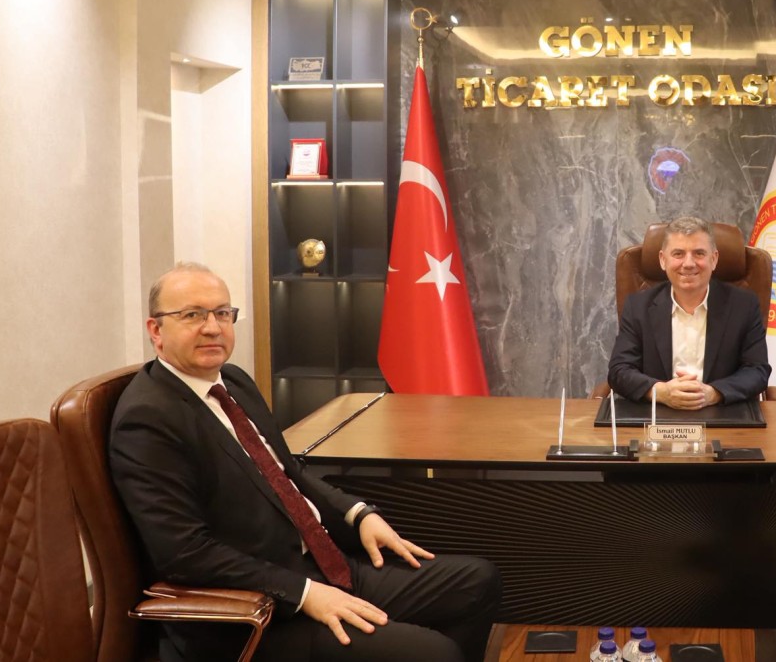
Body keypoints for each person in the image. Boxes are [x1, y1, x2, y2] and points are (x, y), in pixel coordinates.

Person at [110, 262, 501, 662]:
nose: (213, 327)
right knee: (436, 653)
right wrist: (305, 593)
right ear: (156, 330)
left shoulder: (234, 381)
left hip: (320, 564)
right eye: (193, 315)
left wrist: (358, 513)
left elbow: (287, 474)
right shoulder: (148, 418)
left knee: (476, 582)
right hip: (252, 613)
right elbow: (185, 554)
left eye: (222, 313)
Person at [607, 216, 770, 409]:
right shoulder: (638, 306)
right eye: (678, 254)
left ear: (714, 259)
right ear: (663, 260)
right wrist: (661, 392)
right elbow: (619, 370)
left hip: (722, 412)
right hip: (657, 413)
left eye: (699, 253)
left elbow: (757, 370)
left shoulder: (744, 306)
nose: (689, 263)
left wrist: (714, 393)